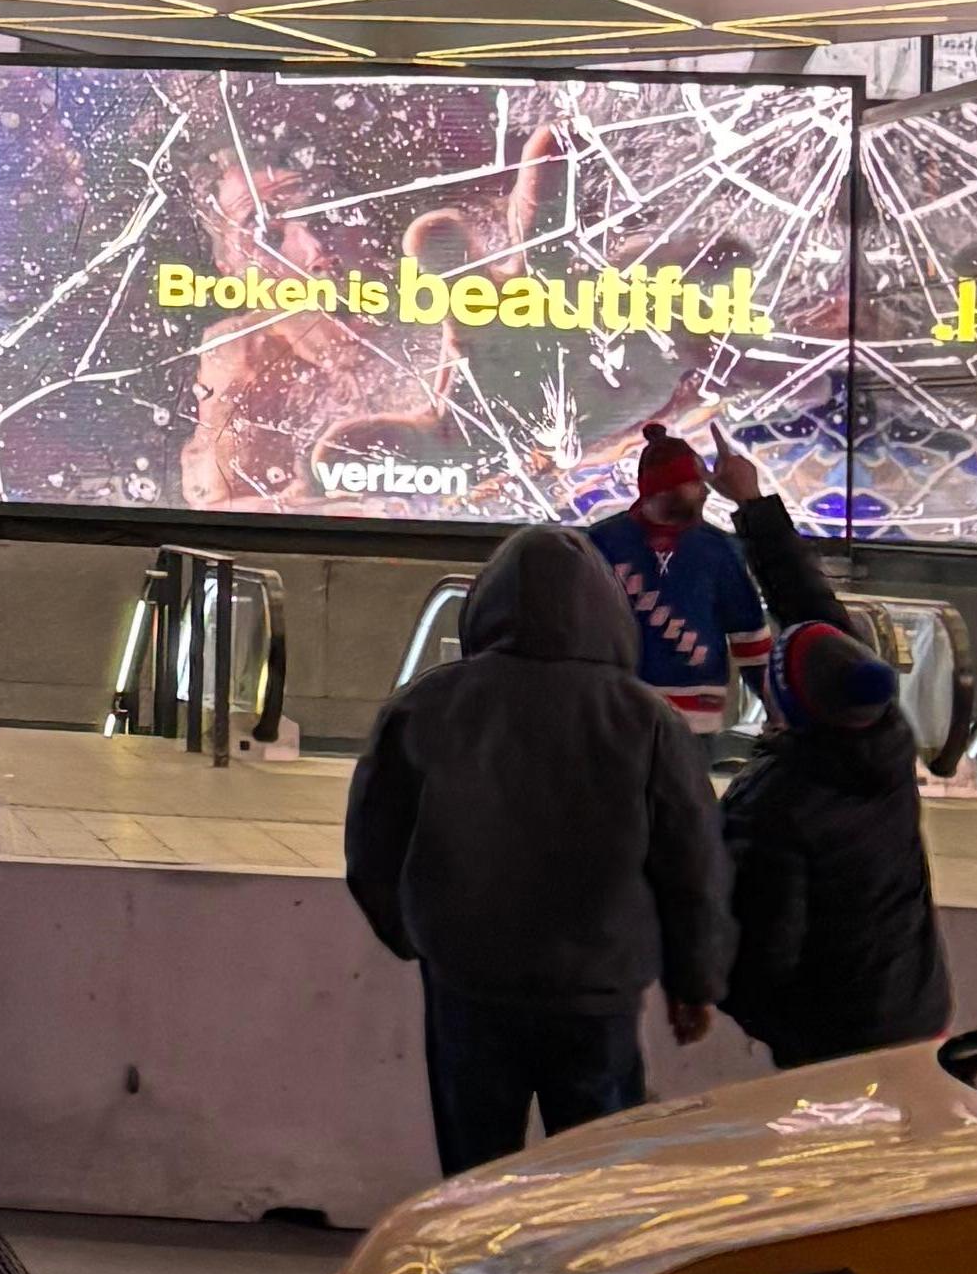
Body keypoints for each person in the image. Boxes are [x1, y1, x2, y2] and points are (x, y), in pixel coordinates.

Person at [344, 521, 730, 1179]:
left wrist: (416, 936)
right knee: (589, 1182)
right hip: (597, 992)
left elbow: (373, 848)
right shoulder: (648, 720)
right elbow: (692, 862)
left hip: (470, 983)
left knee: (473, 1178)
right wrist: (694, 981)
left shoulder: (425, 707)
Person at [698, 443, 946, 1065]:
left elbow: (759, 950)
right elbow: (814, 612)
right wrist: (751, 504)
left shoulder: (775, 806)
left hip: (828, 1041)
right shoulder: (882, 737)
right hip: (911, 1012)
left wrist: (745, 1010)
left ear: (783, 703)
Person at [585, 423, 771, 725]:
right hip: (616, 713)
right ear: (664, 488)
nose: (705, 492)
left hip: (698, 716)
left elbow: (749, 635)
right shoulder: (600, 544)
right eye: (695, 483)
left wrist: (773, 705)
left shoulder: (719, 549)